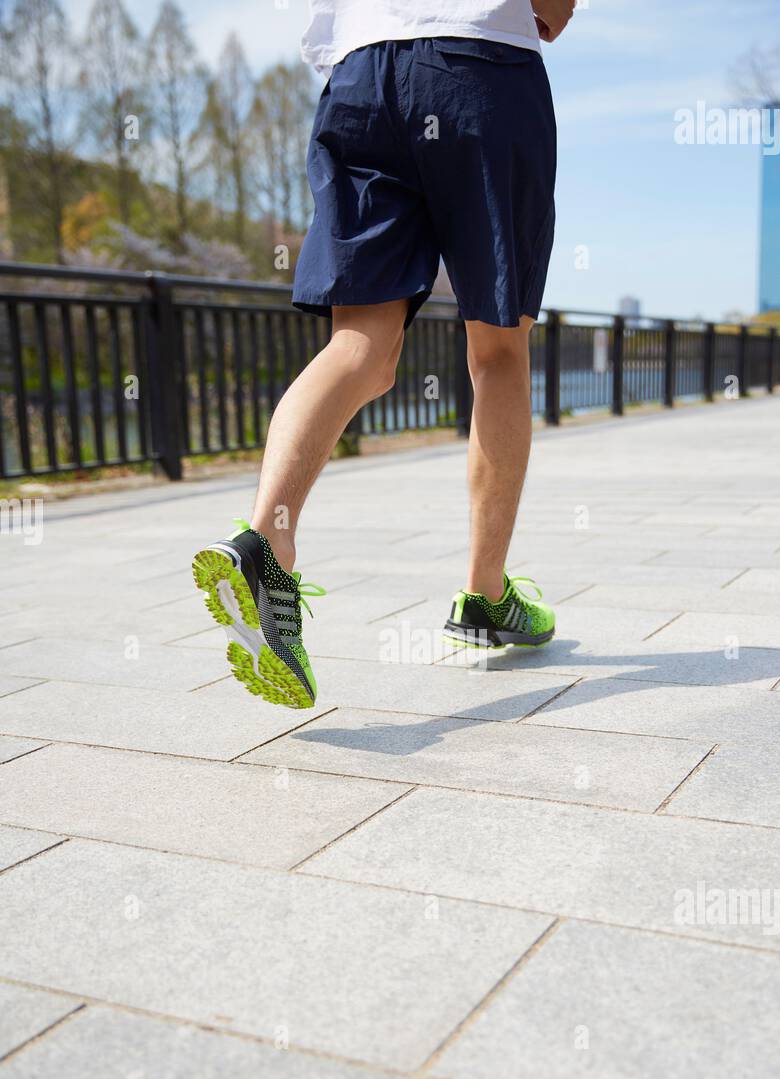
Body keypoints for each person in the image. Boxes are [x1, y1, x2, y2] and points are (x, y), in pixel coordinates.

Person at [193, 0, 574, 708]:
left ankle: (264, 546)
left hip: (361, 76)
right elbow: (551, 10)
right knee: (498, 351)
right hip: (480, 67)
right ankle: (486, 598)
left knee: (361, 346)